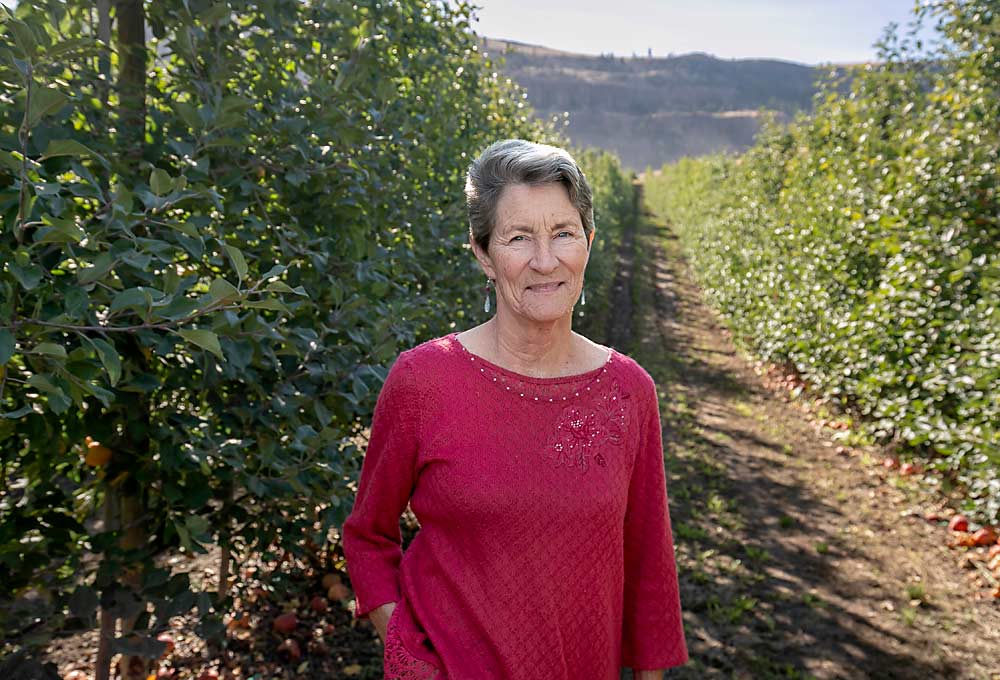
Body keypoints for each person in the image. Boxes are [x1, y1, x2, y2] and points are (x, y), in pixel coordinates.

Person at [342, 139, 688, 679]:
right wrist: (408, 658)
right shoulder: (423, 381)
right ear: (483, 253)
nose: (545, 260)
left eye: (564, 233)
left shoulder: (628, 392)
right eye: (519, 237)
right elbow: (368, 536)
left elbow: (649, 567)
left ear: (589, 244)